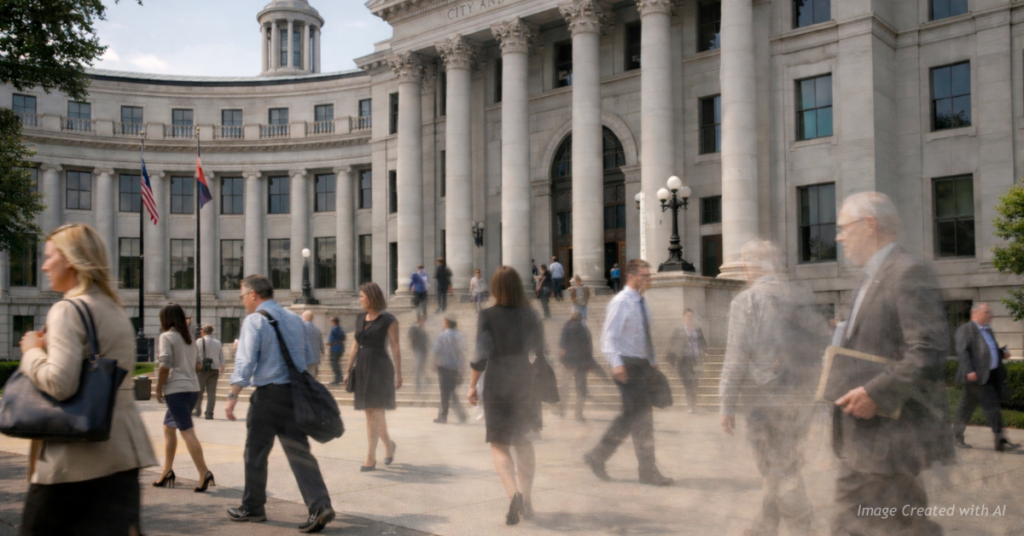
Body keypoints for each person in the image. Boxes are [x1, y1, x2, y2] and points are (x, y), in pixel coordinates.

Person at [18, 223, 156, 535]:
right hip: (122, 453)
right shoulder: (114, 308)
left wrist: (30, 352)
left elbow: (59, 383)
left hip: (74, 461)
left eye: (49, 256)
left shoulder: (68, 310)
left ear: (69, 258)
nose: (44, 265)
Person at [830, 192, 954, 536]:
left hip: (889, 441)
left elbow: (928, 351)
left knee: (854, 526)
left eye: (843, 228)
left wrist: (875, 393)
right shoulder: (869, 278)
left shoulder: (908, 272)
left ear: (869, 225)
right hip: (870, 441)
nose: (838, 237)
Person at [719, 240, 829, 536]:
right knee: (784, 461)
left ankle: (805, 527)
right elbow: (823, 340)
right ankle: (764, 527)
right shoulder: (799, 295)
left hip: (763, 400)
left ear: (748, 267)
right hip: (802, 397)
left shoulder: (746, 301)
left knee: (777, 468)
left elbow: (736, 357)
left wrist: (726, 404)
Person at [225, 274, 335, 532]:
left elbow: (245, 361)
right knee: (299, 453)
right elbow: (309, 358)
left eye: (242, 296)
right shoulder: (296, 320)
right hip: (293, 395)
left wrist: (233, 394)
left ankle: (253, 507)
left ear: (253, 294)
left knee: (255, 452)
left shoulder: (254, 321)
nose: (243, 301)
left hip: (267, 395)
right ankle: (319, 505)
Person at [583, 259, 673, 486]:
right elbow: (608, 336)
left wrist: (652, 361)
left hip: (641, 364)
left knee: (630, 417)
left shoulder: (642, 302)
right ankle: (647, 471)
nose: (648, 279)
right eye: (644, 275)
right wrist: (616, 363)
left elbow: (644, 336)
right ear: (631, 277)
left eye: (648, 275)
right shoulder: (621, 302)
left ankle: (597, 456)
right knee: (642, 418)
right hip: (627, 365)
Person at [468, 266, 545, 525]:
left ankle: (513, 495)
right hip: (524, 378)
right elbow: (540, 349)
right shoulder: (531, 314)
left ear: (495, 288)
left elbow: (481, 354)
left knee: (499, 443)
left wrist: (471, 386)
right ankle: (529, 500)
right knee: (523, 441)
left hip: (498, 379)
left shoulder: (487, 315)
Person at [153, 303, 215, 493]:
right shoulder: (189, 339)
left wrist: (158, 388)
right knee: (169, 428)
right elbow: (197, 366)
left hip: (177, 390)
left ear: (166, 319)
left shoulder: (167, 337)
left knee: (187, 431)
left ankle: (204, 472)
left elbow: (165, 366)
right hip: (192, 389)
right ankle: (167, 471)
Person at [346, 281, 402, 471]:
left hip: (380, 367)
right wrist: (348, 370)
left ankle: (370, 457)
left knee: (375, 413)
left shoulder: (389, 320)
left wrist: (399, 372)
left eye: (362, 295)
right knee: (373, 413)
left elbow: (395, 345)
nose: (359, 299)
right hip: (362, 366)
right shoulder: (360, 318)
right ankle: (388, 445)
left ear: (372, 296)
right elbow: (354, 346)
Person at [952, 302, 1020, 451]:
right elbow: (963, 352)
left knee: (966, 408)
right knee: (992, 406)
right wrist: (969, 370)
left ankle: (956, 436)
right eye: (987, 312)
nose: (991, 315)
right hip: (977, 377)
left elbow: (989, 351)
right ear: (976, 313)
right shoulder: (965, 329)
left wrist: (1002, 353)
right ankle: (1000, 441)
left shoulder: (987, 330)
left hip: (990, 375)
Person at [559, 310, 599, 421]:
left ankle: (562, 411)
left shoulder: (567, 328)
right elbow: (589, 348)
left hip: (568, 363)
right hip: (581, 364)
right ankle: (578, 414)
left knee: (565, 388)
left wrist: (562, 362)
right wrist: (590, 363)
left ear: (571, 318)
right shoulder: (585, 330)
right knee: (581, 390)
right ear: (581, 319)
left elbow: (563, 348)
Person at [667, 309, 706, 413]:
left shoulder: (697, 329)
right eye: (688, 316)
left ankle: (693, 405)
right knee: (688, 382)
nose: (690, 318)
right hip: (683, 360)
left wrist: (705, 351)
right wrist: (670, 357)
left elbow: (702, 341)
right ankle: (690, 406)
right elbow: (671, 342)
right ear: (684, 317)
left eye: (691, 316)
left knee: (695, 382)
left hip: (695, 359)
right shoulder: (678, 329)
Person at [433, 315, 468, 424]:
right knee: (451, 390)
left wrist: (433, 362)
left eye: (444, 322)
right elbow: (462, 352)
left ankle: (444, 416)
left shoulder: (441, 335)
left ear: (447, 323)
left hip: (443, 366)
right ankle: (460, 415)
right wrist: (462, 366)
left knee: (445, 392)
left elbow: (436, 350)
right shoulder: (460, 335)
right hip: (454, 367)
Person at [192, 324, 224, 420]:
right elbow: (221, 357)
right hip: (214, 369)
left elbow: (194, 355)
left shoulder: (199, 341)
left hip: (202, 369)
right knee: (211, 393)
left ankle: (197, 411)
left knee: (199, 391)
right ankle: (209, 413)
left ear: (203, 331)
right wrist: (222, 367)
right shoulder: (218, 342)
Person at [409, 312, 429, 393]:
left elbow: (426, 340)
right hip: (417, 349)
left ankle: (425, 379)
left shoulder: (422, 329)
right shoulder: (414, 328)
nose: (423, 321)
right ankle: (417, 382)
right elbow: (412, 338)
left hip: (423, 350)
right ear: (419, 320)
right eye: (422, 319)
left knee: (422, 365)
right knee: (418, 363)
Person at [301, 311, 324, 380]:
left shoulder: (302, 328)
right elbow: (321, 344)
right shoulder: (317, 329)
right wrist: (322, 351)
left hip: (305, 358)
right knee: (313, 378)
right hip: (316, 358)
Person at [327, 316, 346, 386]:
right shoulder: (340, 329)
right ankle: (339, 377)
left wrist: (328, 345)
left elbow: (331, 339)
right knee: (336, 363)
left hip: (334, 348)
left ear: (334, 321)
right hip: (340, 348)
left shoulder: (334, 329)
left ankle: (337, 379)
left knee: (334, 363)